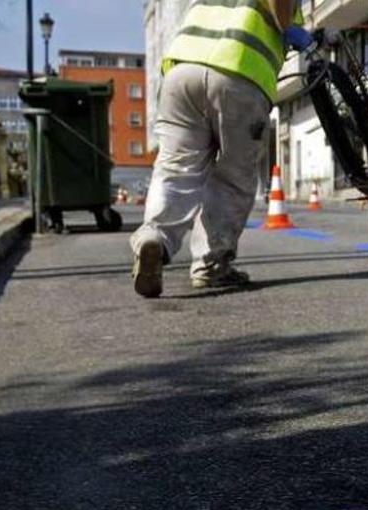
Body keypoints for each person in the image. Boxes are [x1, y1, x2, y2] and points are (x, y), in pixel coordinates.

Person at [131, 0, 312, 298]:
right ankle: (210, 266)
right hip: (239, 71)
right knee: (233, 176)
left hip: (181, 69)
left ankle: (154, 238)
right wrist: (290, 28)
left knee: (176, 169)